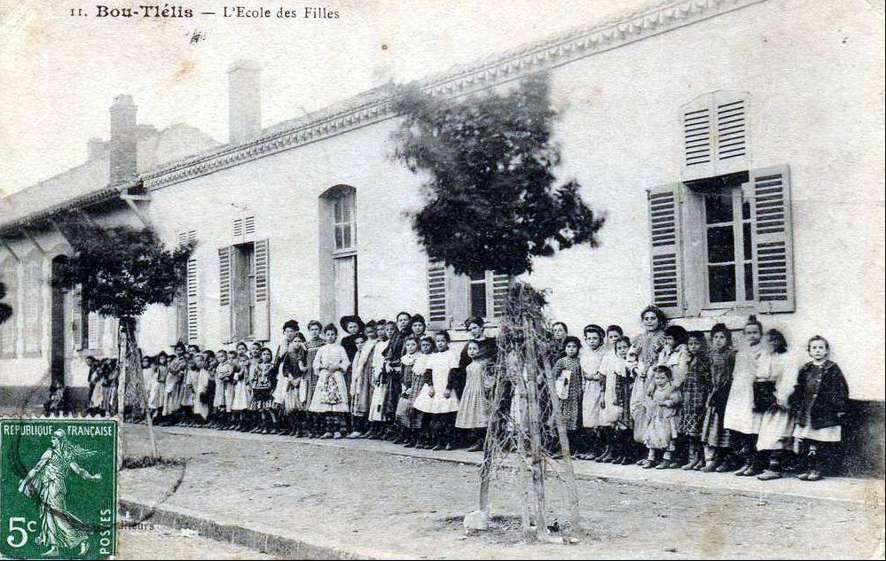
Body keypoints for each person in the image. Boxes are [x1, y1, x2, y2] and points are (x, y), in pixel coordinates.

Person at [790, 335, 849, 482]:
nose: (817, 350)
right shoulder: (806, 369)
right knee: (809, 441)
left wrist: (840, 407)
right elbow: (799, 388)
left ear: (826, 351)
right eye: (814, 348)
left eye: (821, 348)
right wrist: (796, 405)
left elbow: (841, 389)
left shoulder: (832, 368)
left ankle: (818, 469)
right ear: (809, 351)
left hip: (824, 412)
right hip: (807, 411)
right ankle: (809, 468)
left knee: (821, 441)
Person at [724, 316, 765, 476]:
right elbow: (736, 372)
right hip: (739, 391)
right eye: (749, 333)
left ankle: (756, 464)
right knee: (740, 427)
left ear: (761, 334)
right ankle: (746, 462)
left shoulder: (763, 350)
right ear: (744, 334)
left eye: (755, 332)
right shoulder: (741, 350)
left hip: (753, 390)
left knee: (752, 428)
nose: (752, 335)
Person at [754, 329, 797, 481]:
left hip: (782, 400)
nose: (772, 343)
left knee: (778, 434)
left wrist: (781, 397)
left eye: (775, 340)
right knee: (768, 433)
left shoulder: (788, 357)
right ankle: (772, 466)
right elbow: (761, 375)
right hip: (768, 400)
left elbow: (790, 379)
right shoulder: (765, 357)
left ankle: (775, 467)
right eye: (768, 340)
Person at [630, 306, 668, 461]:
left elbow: (664, 359)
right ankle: (645, 451)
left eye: (653, 318)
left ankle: (656, 453)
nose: (649, 321)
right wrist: (637, 370)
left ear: (659, 321)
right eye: (646, 319)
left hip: (657, 379)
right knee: (639, 411)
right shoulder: (639, 339)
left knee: (655, 413)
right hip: (641, 379)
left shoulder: (663, 338)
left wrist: (653, 371)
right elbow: (631, 359)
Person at [413, 331, 461, 451]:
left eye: (442, 341)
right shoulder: (433, 356)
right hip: (435, 389)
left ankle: (450, 442)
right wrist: (430, 386)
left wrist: (449, 388)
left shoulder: (451, 355)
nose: (440, 343)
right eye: (438, 341)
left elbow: (454, 373)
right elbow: (428, 373)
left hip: (446, 389)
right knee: (436, 417)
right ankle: (439, 441)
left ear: (447, 342)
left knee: (448, 417)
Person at [700, 324, 737, 472]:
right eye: (716, 337)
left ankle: (728, 459)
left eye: (722, 337)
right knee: (714, 427)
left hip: (727, 393)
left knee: (726, 427)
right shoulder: (710, 355)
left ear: (727, 340)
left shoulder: (731, 355)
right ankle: (714, 459)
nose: (718, 340)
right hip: (714, 393)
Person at [308, 323, 351, 439]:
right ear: (325, 336)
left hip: (336, 376)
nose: (330, 336)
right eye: (328, 334)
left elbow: (346, 362)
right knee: (326, 404)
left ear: (336, 336)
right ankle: (329, 430)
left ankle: (337, 430)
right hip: (325, 376)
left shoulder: (340, 348)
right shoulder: (322, 349)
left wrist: (338, 367)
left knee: (337, 405)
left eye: (333, 334)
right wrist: (323, 367)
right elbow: (315, 363)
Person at [456, 339, 494, 452]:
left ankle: (484, 442)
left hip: (480, 391)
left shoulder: (484, 363)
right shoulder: (469, 364)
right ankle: (478, 441)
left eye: (475, 349)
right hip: (470, 391)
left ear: (480, 350)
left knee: (481, 415)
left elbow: (489, 378)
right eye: (470, 349)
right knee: (473, 415)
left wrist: (487, 389)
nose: (472, 351)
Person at [680, 331, 711, 470]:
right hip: (689, 399)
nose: (693, 346)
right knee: (691, 432)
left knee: (699, 432)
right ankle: (694, 458)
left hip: (700, 399)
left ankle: (703, 460)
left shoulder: (704, 360)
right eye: (690, 344)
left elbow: (708, 381)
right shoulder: (690, 360)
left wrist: (705, 399)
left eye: (696, 343)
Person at [643, 365, 682, 470]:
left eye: (662, 378)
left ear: (668, 378)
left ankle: (666, 459)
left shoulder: (671, 388)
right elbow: (649, 398)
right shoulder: (655, 388)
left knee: (667, 437)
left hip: (667, 417)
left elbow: (676, 400)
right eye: (657, 378)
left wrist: (665, 403)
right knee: (653, 436)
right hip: (656, 416)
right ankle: (651, 458)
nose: (659, 381)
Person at [398, 335, 434, 448]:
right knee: (411, 411)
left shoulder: (432, 357)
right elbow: (413, 374)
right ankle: (413, 438)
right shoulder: (418, 358)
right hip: (415, 386)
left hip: (425, 387)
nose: (425, 347)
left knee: (423, 414)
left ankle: (425, 439)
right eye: (423, 345)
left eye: (428, 345)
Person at [600, 336, 631, 463]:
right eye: (619, 348)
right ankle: (618, 454)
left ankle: (627, 455)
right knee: (617, 424)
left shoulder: (631, 362)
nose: (623, 350)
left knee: (627, 424)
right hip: (617, 395)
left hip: (629, 396)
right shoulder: (616, 363)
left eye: (625, 347)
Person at [551, 335, 583, 456]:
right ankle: (560, 448)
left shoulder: (580, 361)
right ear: (564, 348)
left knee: (574, 422)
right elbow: (553, 376)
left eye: (574, 347)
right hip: (564, 397)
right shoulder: (562, 361)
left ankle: (573, 449)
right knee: (562, 421)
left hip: (576, 396)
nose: (571, 349)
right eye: (568, 346)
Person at [578, 324, 607, 459]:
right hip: (588, 388)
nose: (592, 341)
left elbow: (604, 371)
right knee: (588, 417)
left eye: (595, 338)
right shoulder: (584, 353)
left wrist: (595, 377)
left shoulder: (604, 353)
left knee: (599, 418)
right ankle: (590, 449)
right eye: (589, 339)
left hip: (600, 387)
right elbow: (583, 369)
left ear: (600, 339)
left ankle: (598, 450)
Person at [349, 323, 377, 438]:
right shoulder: (362, 349)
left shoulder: (374, 345)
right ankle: (358, 428)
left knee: (368, 401)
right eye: (367, 331)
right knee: (359, 400)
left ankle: (368, 429)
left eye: (372, 331)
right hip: (361, 377)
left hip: (369, 376)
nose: (360, 345)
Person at [303, 320, 326, 437]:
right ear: (309, 331)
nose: (314, 332)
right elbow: (302, 360)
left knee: (320, 399)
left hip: (320, 374)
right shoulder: (306, 345)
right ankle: (311, 429)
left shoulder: (324, 343)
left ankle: (320, 428)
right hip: (309, 374)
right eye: (312, 330)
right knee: (309, 399)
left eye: (316, 329)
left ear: (320, 330)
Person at [250, 347, 278, 434]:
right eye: (264, 354)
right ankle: (264, 426)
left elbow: (274, 379)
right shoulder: (257, 366)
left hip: (268, 389)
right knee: (261, 409)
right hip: (258, 389)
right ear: (261, 356)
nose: (266, 356)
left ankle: (275, 426)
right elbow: (254, 378)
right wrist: (253, 387)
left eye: (268, 354)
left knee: (269, 408)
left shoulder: (272, 366)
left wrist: (273, 388)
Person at [213, 350, 235, 429]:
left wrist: (224, 376)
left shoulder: (228, 365)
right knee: (221, 403)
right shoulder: (219, 366)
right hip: (220, 386)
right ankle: (222, 422)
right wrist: (220, 377)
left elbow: (230, 372)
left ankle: (229, 422)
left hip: (227, 385)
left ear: (225, 356)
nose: (220, 358)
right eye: (218, 357)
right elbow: (218, 374)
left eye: (222, 356)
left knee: (228, 402)